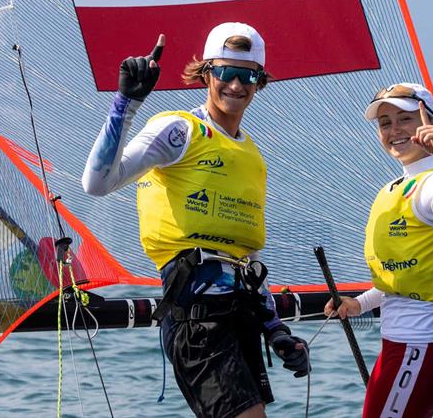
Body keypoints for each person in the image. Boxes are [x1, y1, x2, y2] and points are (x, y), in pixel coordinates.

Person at [83, 22, 308, 418]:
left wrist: (276, 330)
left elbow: (248, 257)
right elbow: (97, 182)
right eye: (225, 72)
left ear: (260, 82)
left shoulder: (251, 154)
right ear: (206, 73)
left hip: (241, 314)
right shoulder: (180, 130)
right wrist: (126, 103)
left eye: (248, 75)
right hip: (197, 316)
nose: (236, 85)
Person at [325, 83, 433, 418]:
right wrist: (360, 303)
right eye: (385, 123)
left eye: (405, 119)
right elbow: (401, 280)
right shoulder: (393, 189)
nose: (393, 130)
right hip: (400, 346)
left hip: (420, 348)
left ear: (430, 122)